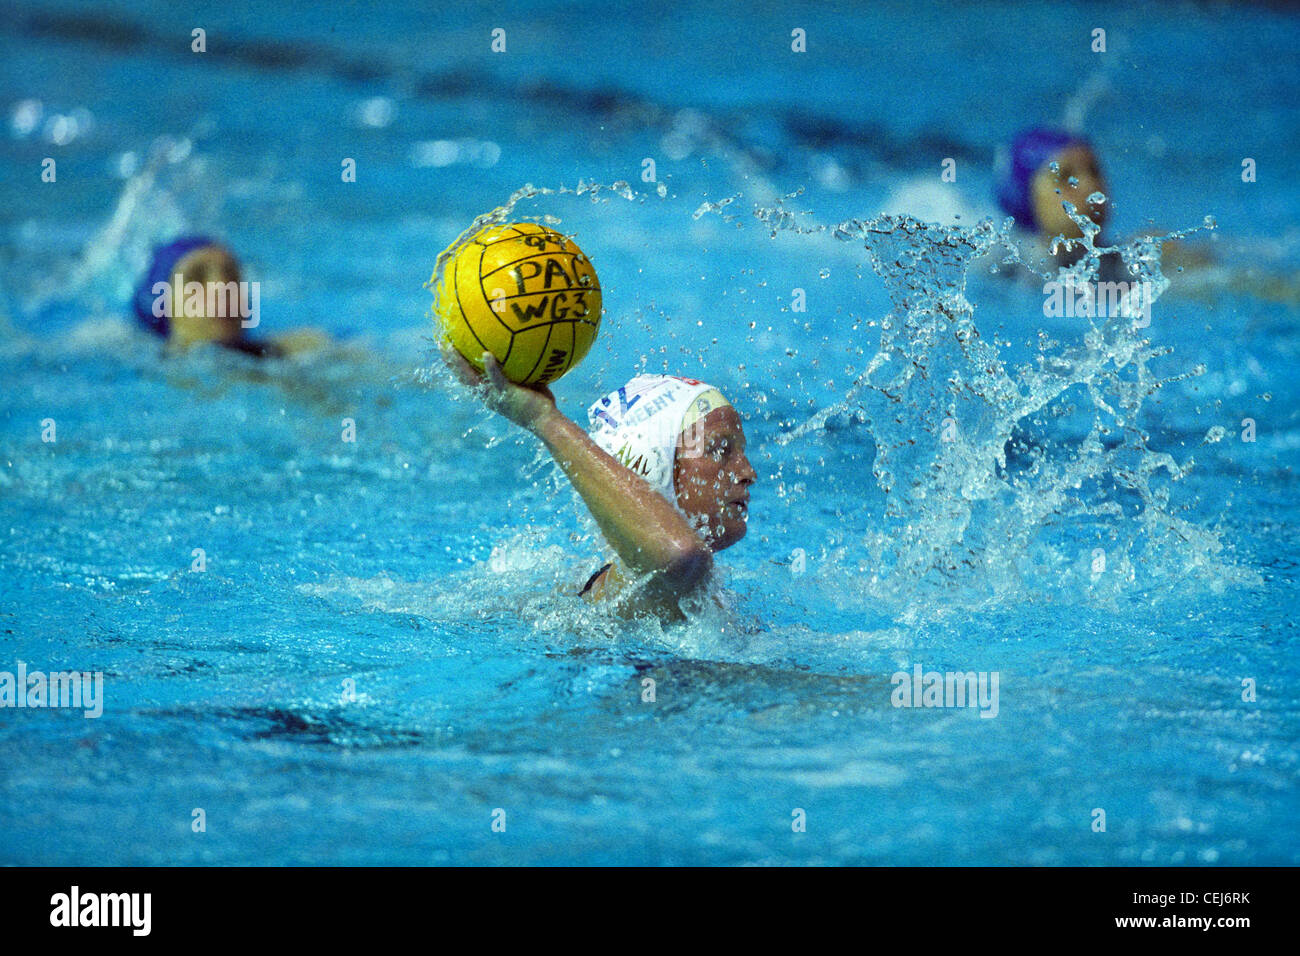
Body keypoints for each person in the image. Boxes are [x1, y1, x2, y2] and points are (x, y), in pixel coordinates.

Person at [442, 345, 756, 621]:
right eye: (720, 450)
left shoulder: (703, 593)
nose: (747, 471)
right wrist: (543, 419)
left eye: (741, 450)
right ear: (655, 467)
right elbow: (680, 558)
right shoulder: (644, 585)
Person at [132, 236, 327, 357]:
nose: (223, 287)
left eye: (232, 275)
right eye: (197, 279)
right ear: (162, 304)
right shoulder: (137, 361)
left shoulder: (291, 351)